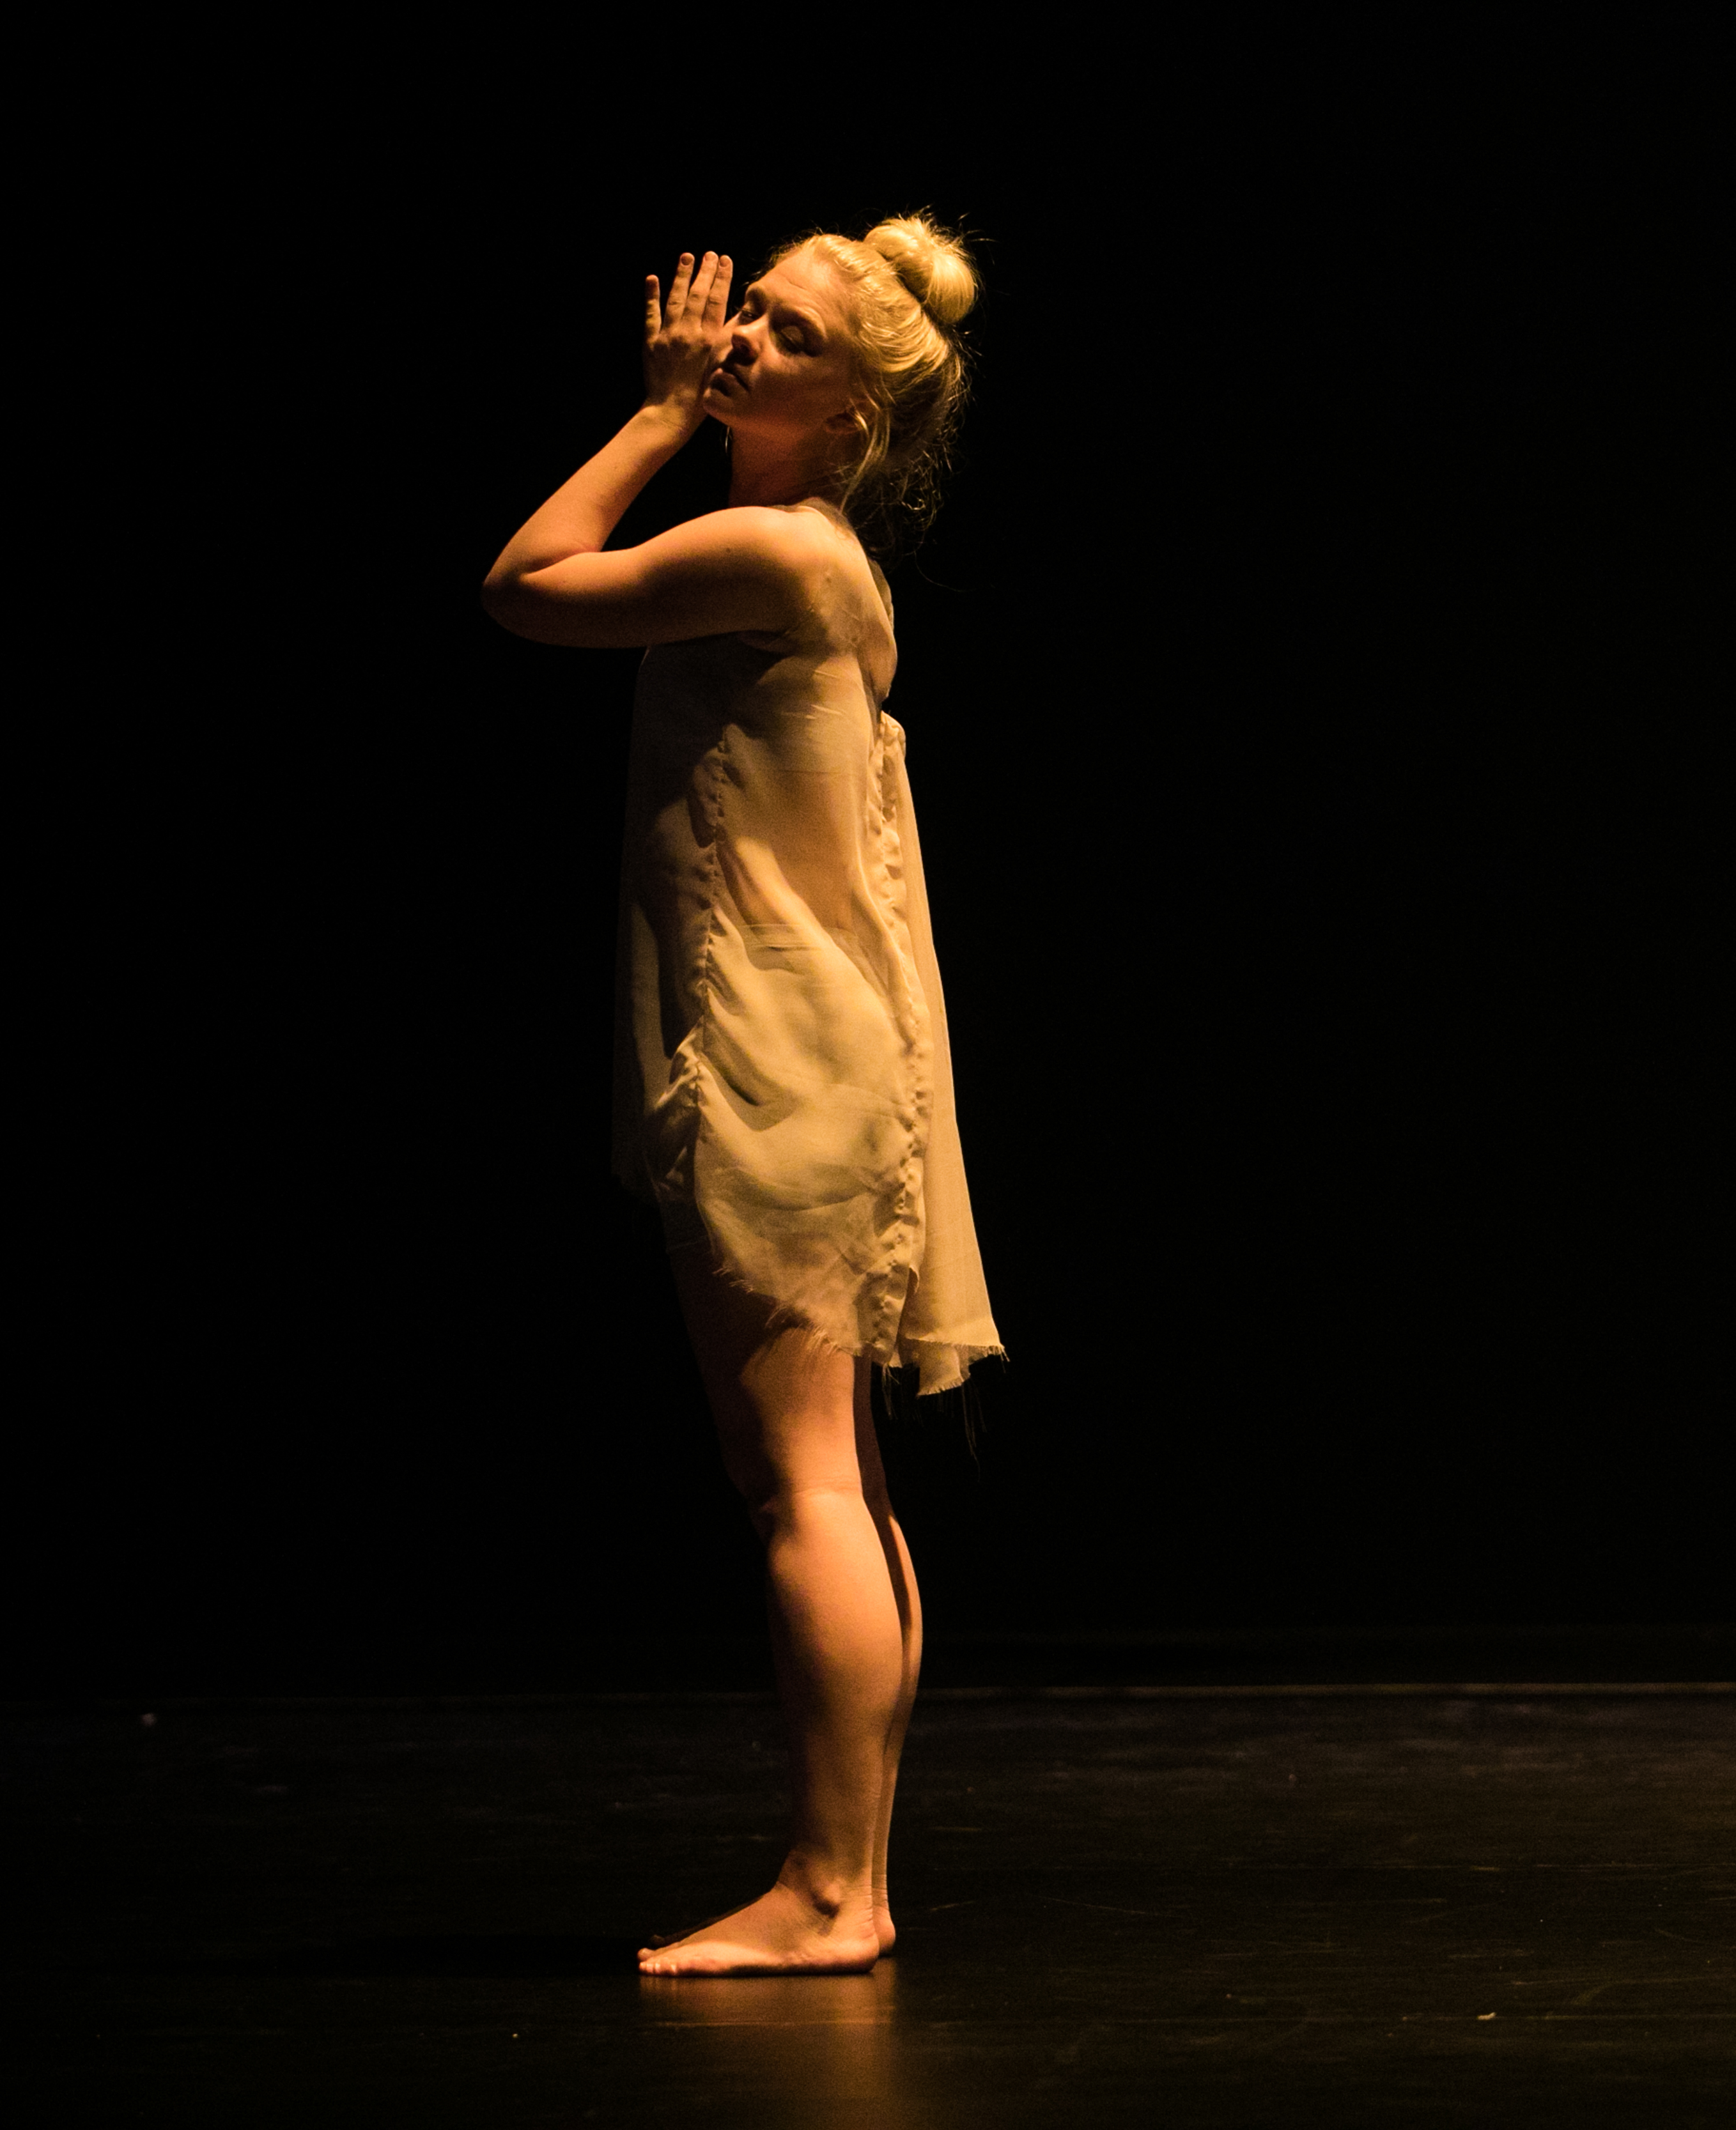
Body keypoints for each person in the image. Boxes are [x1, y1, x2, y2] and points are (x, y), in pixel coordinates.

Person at [483, 217, 1005, 1968]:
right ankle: (850, 1875)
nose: (737, 346)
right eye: (746, 314)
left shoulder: (771, 548)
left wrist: (649, 417)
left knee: (803, 1484)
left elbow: (526, 582)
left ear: (851, 412)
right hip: (821, 1047)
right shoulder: (819, 555)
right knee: (829, 1473)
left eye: (785, 337)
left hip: (775, 1057)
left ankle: (831, 1888)